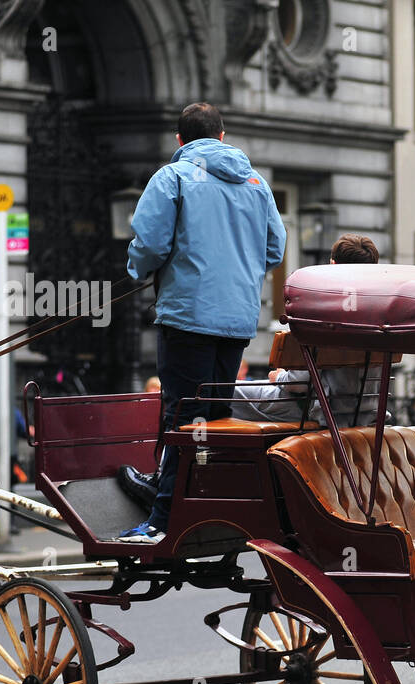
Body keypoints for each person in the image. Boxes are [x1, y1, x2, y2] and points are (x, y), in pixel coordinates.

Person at [116, 102, 286, 543]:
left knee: (183, 415)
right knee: (214, 413)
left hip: (188, 315)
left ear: (180, 140)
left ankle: (162, 518)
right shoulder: (255, 183)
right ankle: (207, 502)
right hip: (237, 320)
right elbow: (274, 249)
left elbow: (149, 244)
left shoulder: (173, 177)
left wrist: (139, 270)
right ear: (223, 137)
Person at [233, 233, 382, 426]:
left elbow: (297, 383)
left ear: (333, 265)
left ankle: (206, 451)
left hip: (318, 411)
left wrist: (278, 376)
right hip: (364, 413)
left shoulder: (325, 310)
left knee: (222, 394)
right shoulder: (379, 315)